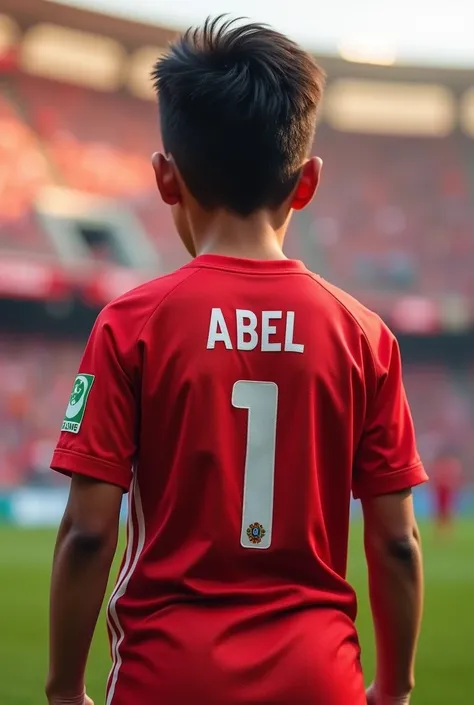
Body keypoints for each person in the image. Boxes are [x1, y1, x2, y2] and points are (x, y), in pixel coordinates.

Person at [46, 16, 427, 705]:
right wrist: (394, 688)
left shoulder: (131, 323)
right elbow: (396, 542)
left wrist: (65, 689)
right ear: (307, 182)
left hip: (167, 676)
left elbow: (87, 531)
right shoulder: (365, 334)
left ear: (165, 178)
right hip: (319, 678)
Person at [431, 450, 462, 539]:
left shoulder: (450, 465)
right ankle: (442, 532)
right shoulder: (445, 465)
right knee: (441, 512)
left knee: (446, 511)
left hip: (446, 492)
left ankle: (446, 532)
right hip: (441, 492)